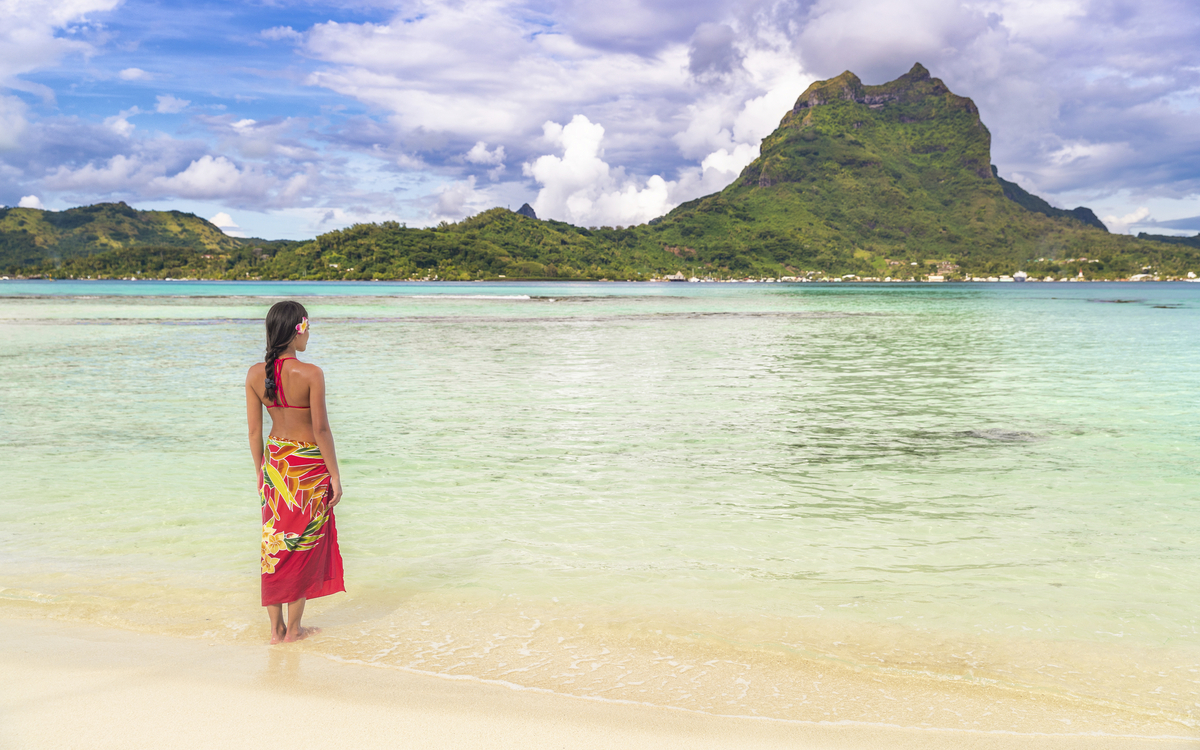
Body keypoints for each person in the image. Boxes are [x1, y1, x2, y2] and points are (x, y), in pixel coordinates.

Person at [245, 300, 345, 644]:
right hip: (308, 470)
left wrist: (261, 472)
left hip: (275, 466)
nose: (309, 334)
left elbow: (254, 433)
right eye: (307, 327)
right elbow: (321, 431)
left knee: (274, 544)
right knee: (301, 544)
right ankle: (295, 629)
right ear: (296, 329)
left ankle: (275, 630)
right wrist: (334, 474)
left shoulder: (255, 375)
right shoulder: (311, 374)